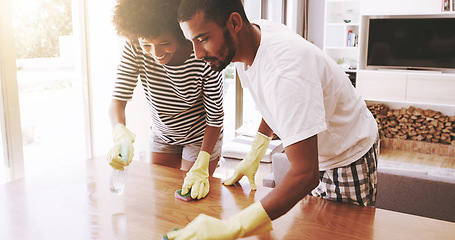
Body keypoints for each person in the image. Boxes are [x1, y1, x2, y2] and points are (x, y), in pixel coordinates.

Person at [166, 0, 379, 239]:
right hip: (318, 151)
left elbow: (305, 174)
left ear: (234, 22)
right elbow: (273, 102)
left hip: (346, 152)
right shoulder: (248, 43)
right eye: (191, 41)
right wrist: (257, 150)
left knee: (341, 233)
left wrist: (233, 227)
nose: (197, 54)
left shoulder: (285, 71)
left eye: (203, 38)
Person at [107, 0, 224, 200]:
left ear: (180, 34)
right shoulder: (135, 46)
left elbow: (215, 117)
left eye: (164, 43)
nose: (156, 54)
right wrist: (120, 132)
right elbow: (118, 99)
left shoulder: (202, 54)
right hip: (162, 134)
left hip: (200, 137)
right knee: (162, 197)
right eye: (147, 45)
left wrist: (203, 161)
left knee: (190, 199)